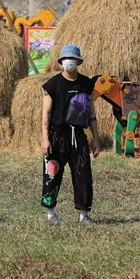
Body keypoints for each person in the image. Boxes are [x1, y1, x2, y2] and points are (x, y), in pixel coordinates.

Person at [40, 45, 100, 226]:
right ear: (60, 62)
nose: (69, 62)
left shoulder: (87, 84)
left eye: (73, 59)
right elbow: (46, 114)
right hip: (57, 135)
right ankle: (51, 213)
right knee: (52, 173)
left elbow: (91, 114)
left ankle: (83, 215)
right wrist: (45, 138)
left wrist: (95, 138)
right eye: (66, 59)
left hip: (78, 136)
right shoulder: (52, 85)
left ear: (79, 62)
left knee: (83, 175)